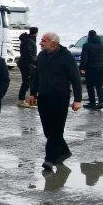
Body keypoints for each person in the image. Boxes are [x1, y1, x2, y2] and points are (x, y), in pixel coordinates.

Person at [28, 33, 83, 170]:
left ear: (53, 43)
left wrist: (77, 100)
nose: (40, 43)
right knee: (48, 131)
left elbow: (76, 79)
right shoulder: (42, 56)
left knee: (56, 130)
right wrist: (33, 93)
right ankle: (64, 151)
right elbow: (37, 75)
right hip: (44, 98)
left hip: (60, 98)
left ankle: (50, 160)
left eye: (43, 41)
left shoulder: (67, 57)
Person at [79, 30, 103, 110]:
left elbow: (84, 58)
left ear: (89, 36)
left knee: (90, 86)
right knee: (99, 86)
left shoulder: (86, 45)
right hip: (101, 68)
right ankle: (101, 102)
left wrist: (82, 68)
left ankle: (92, 103)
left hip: (91, 68)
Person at [17, 27, 39, 108]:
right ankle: (21, 100)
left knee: (34, 81)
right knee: (26, 82)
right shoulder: (29, 41)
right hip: (26, 64)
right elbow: (28, 53)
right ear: (36, 32)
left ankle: (34, 99)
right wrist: (34, 61)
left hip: (29, 64)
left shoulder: (30, 39)